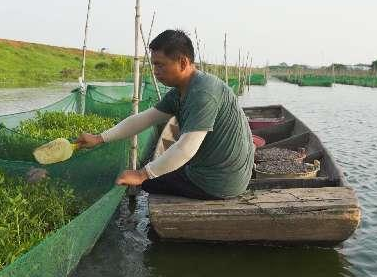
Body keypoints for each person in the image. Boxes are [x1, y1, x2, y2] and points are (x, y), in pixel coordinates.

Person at [76, 29, 254, 200]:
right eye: (154, 64)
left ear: (183, 63)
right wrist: (99, 138)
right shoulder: (182, 90)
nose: (155, 71)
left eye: (160, 64)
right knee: (161, 171)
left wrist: (141, 174)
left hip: (220, 183)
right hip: (228, 174)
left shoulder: (203, 93)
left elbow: (186, 148)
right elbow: (145, 119)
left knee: (149, 184)